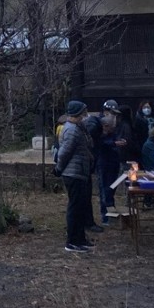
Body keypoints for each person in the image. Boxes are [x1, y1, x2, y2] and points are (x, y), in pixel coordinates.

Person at [54, 100, 96, 253]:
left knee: (80, 207)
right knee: (75, 207)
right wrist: (58, 168)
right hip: (73, 173)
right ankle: (72, 241)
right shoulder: (71, 130)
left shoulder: (79, 128)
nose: (86, 116)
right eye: (83, 113)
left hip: (80, 172)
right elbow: (64, 152)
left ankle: (80, 238)